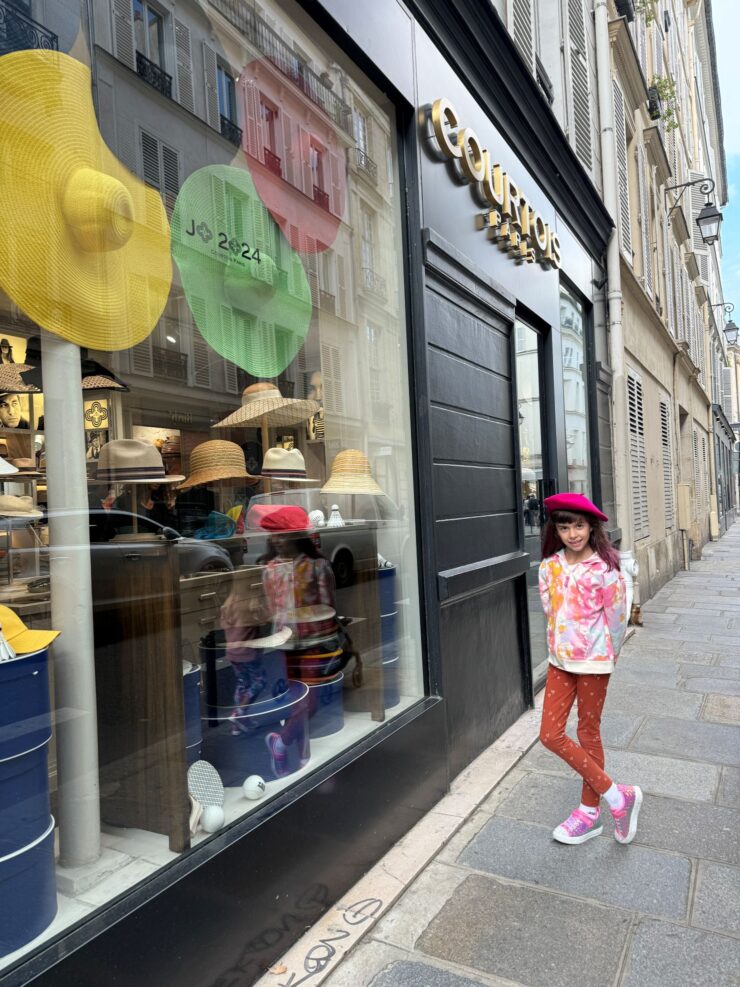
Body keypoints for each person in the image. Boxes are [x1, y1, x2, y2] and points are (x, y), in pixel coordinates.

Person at [538, 492, 642, 846]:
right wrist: (558, 646)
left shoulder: (604, 569)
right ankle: (616, 796)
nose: (572, 534)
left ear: (591, 527)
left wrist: (608, 656)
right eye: (564, 527)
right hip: (559, 662)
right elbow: (549, 611)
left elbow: (616, 618)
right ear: (556, 530)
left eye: (579, 525)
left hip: (595, 662)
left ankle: (589, 811)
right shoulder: (549, 566)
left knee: (588, 732)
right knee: (550, 734)